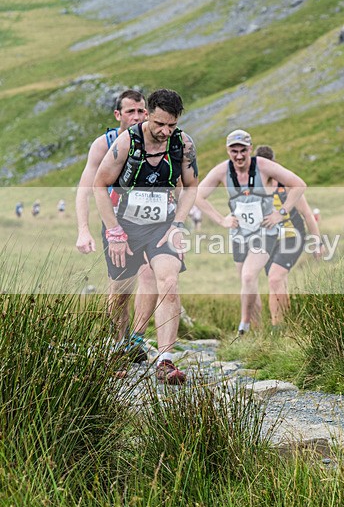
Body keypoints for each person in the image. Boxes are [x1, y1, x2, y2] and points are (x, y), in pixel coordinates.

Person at [93, 89, 198, 384]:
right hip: (123, 225)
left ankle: (165, 360)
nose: (165, 131)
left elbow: (191, 186)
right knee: (120, 291)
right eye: (160, 124)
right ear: (148, 114)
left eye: (172, 125)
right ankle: (120, 345)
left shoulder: (183, 144)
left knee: (169, 281)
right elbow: (99, 185)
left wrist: (177, 224)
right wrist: (114, 232)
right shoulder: (128, 142)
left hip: (162, 225)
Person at [194, 132, 306, 336]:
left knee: (248, 276)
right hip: (239, 234)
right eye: (234, 151)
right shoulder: (222, 171)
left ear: (250, 149)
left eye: (243, 150)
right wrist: (221, 220)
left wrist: (280, 213)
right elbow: (198, 196)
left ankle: (243, 326)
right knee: (248, 284)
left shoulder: (263, 166)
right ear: (228, 151)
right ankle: (256, 333)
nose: (239, 156)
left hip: (264, 232)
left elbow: (298, 184)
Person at [75, 89, 157, 365]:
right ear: (118, 115)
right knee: (121, 287)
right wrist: (83, 230)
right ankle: (119, 342)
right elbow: (85, 190)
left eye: (141, 111)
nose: (137, 116)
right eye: (130, 111)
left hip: (148, 222)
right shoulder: (104, 144)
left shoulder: (156, 139)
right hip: (115, 223)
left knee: (149, 275)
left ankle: (137, 340)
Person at [254, 144, 323, 328]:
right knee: (277, 283)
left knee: (275, 278)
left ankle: (277, 327)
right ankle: (286, 325)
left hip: (293, 235)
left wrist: (317, 242)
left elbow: (308, 214)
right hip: (270, 240)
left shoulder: (288, 184)